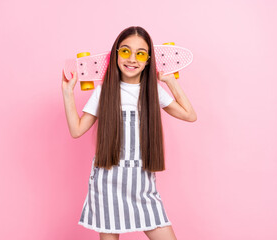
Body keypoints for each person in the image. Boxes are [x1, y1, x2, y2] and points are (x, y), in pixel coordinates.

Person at [61, 26, 197, 240]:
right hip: (107, 180)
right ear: (116, 54)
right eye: (125, 51)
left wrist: (170, 81)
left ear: (148, 60)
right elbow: (77, 130)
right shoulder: (104, 92)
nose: (132, 59)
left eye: (140, 54)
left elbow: (190, 115)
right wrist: (68, 94)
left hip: (142, 182)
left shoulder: (152, 91)